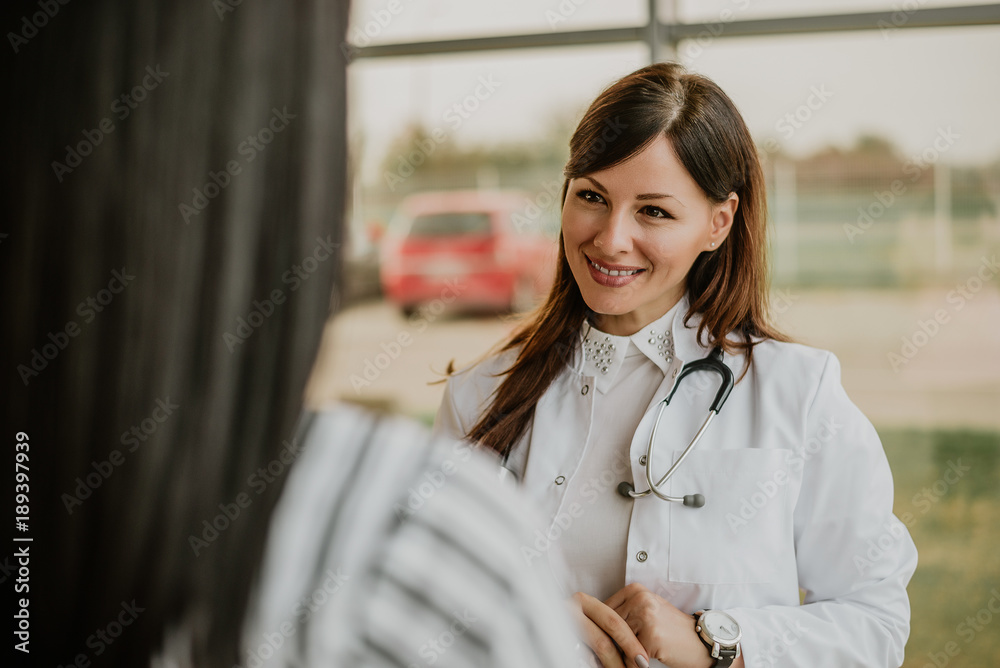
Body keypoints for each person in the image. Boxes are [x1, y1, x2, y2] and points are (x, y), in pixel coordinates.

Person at [434, 62, 918, 668]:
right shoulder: (479, 398)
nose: (611, 239)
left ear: (718, 223)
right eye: (592, 197)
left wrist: (721, 641)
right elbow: (420, 611)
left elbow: (874, 623)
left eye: (654, 212)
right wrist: (519, 620)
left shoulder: (800, 394)